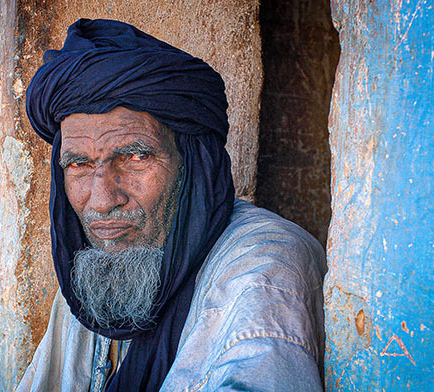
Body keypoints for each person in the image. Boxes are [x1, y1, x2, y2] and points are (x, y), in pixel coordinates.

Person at [17, 18, 326, 392]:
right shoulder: (93, 277)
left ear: (193, 162)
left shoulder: (263, 271)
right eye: (79, 164)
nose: (101, 200)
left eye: (134, 157)